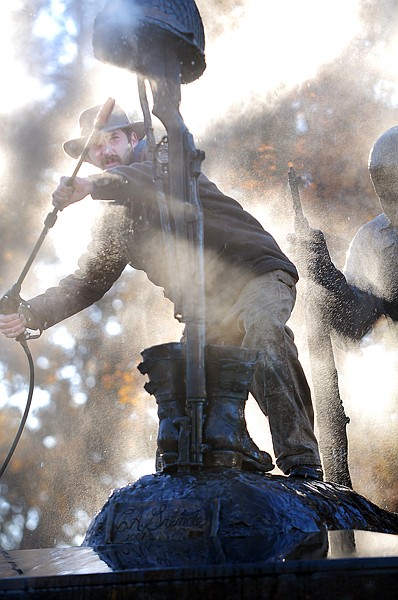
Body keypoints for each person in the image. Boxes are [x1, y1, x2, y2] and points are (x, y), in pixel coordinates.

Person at [0, 103, 323, 480]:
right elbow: (87, 281)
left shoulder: (167, 157)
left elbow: (145, 179)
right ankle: (239, 455)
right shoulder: (116, 221)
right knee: (187, 378)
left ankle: (301, 460)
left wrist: (91, 187)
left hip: (257, 273)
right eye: (95, 149)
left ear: (134, 137)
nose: (104, 152)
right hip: (207, 309)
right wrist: (31, 313)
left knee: (262, 330)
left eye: (113, 139)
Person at [291, 125, 398, 344]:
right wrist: (326, 276)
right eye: (386, 196)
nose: (393, 206)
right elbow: (357, 324)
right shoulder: (374, 240)